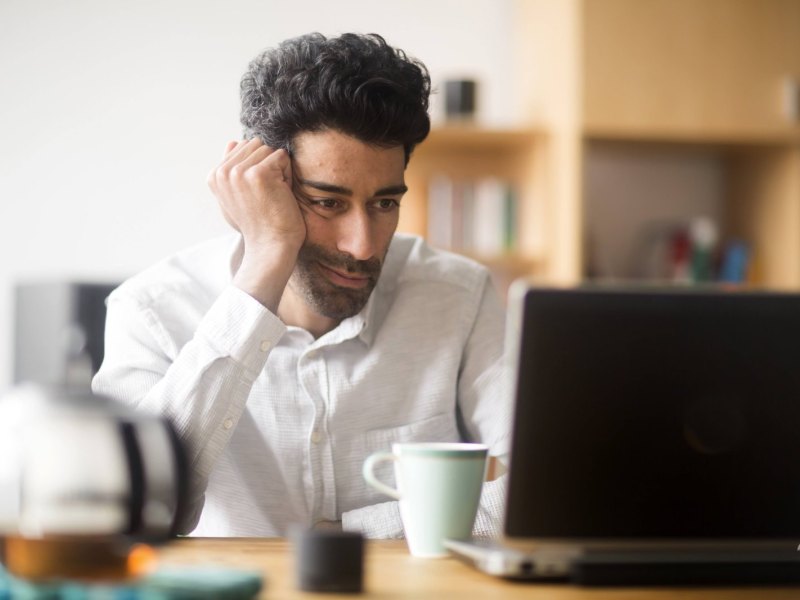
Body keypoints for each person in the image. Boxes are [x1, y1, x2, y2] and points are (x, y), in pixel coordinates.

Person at [93, 32, 511, 538]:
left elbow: (540, 486)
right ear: (261, 185)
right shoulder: (152, 310)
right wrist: (265, 260)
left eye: (385, 203)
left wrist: (351, 534)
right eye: (328, 202)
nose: (362, 245)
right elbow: (141, 513)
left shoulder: (458, 296)